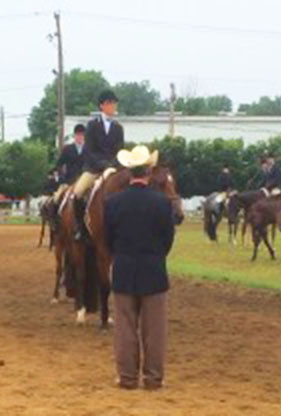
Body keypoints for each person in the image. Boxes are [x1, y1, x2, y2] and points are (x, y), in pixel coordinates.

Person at [104, 145, 175, 390]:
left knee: (125, 327)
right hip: (153, 269)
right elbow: (168, 240)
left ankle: (127, 377)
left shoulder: (112, 202)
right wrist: (155, 256)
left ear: (129, 172)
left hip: (124, 267)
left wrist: (122, 255)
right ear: (149, 172)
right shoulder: (162, 202)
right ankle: (154, 378)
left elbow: (108, 239)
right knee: (154, 329)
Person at [73, 90, 124, 241]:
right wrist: (103, 165)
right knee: (78, 192)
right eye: (109, 103)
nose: (112, 106)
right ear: (102, 106)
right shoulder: (92, 125)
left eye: (114, 103)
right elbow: (89, 151)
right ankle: (80, 228)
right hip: (94, 169)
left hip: (114, 169)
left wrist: (113, 165)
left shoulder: (118, 128)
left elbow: (120, 151)